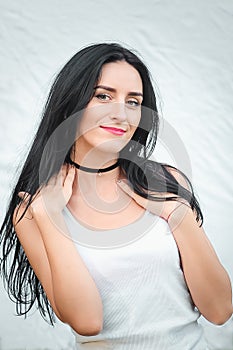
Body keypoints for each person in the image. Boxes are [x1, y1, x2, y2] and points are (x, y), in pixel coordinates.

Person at [0, 43, 232, 350]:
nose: (121, 114)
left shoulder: (165, 181)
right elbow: (87, 321)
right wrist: (50, 217)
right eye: (103, 96)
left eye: (133, 101)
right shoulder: (34, 210)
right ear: (70, 103)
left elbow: (220, 310)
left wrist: (178, 216)